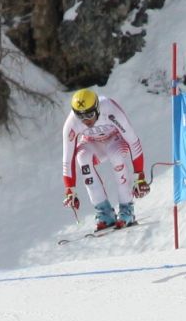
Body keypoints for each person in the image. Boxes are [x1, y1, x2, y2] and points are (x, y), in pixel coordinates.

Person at [62, 88, 150, 230]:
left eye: (90, 114)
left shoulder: (109, 109)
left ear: (97, 108)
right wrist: (70, 189)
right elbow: (67, 157)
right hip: (93, 143)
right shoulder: (71, 123)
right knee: (82, 157)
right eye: (81, 117)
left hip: (115, 140)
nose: (86, 120)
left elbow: (133, 141)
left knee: (115, 155)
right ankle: (104, 213)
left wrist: (139, 176)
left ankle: (127, 210)